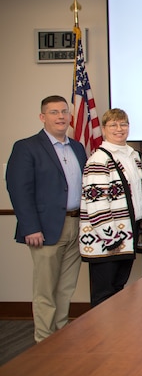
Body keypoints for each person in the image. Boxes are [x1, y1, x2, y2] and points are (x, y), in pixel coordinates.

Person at [6, 95, 87, 342]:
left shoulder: (77, 147)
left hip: (76, 224)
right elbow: (19, 190)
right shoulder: (26, 147)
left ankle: (59, 338)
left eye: (64, 112)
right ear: (43, 117)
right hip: (45, 228)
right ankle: (43, 341)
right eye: (53, 112)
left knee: (65, 288)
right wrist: (30, 227)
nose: (60, 116)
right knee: (46, 290)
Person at [79, 108, 142, 306]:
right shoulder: (98, 160)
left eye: (123, 124)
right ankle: (100, 336)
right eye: (113, 125)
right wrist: (111, 238)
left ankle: (115, 335)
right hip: (107, 240)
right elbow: (96, 205)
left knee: (118, 289)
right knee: (104, 294)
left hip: (127, 234)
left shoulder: (133, 157)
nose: (119, 129)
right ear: (103, 129)